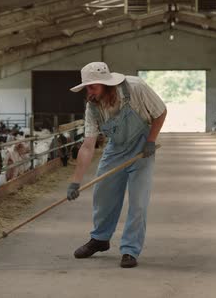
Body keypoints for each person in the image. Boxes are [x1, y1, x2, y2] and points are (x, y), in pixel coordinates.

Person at [67, 62, 167, 268]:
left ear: (106, 84)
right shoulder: (92, 107)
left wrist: (150, 141)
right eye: (87, 87)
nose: (89, 91)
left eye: (92, 86)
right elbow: (87, 146)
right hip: (115, 148)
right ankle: (100, 239)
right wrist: (75, 182)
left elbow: (161, 112)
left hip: (141, 148)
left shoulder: (135, 87)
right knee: (102, 194)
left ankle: (130, 250)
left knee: (138, 201)